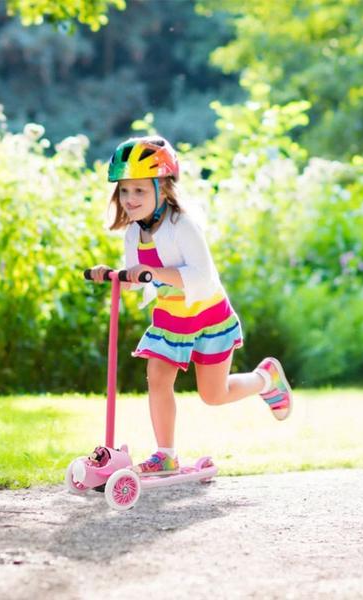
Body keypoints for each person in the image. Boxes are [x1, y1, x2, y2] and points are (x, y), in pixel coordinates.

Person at [90, 135, 293, 475]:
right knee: (157, 377)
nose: (129, 199)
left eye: (139, 190)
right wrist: (113, 276)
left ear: (163, 188)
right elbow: (140, 278)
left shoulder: (181, 225)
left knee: (213, 395)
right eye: (124, 190)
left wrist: (152, 271)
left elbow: (204, 278)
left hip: (208, 317)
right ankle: (166, 454)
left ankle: (265, 378)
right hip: (171, 320)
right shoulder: (132, 233)